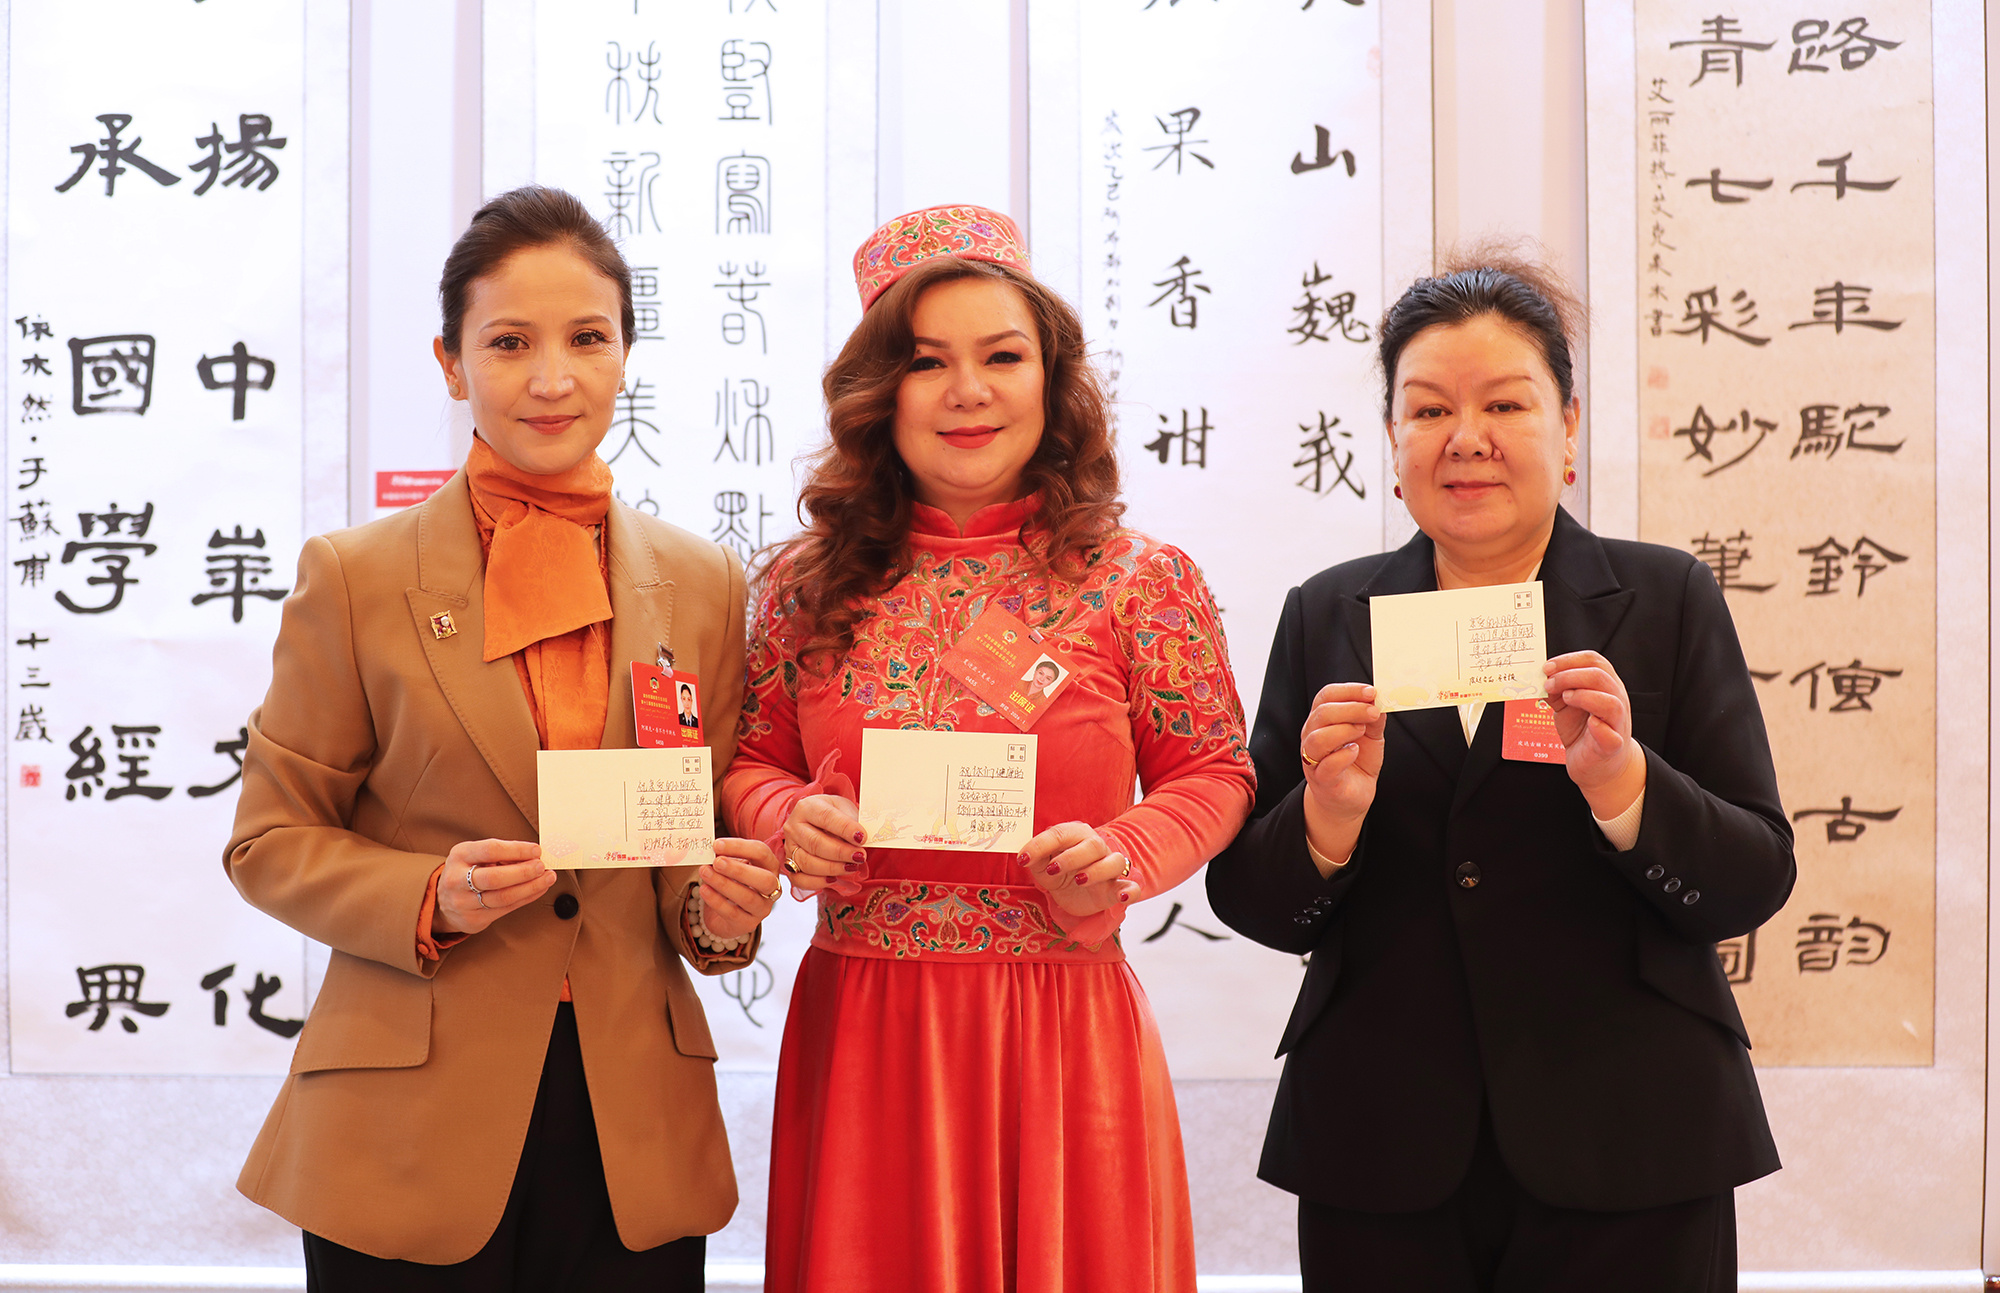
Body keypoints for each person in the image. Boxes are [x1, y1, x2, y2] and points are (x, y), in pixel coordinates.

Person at [223, 186, 781, 1290]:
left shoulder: (706, 583)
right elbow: (269, 842)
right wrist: (431, 895)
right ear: (451, 363)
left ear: (625, 356)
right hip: (405, 1126)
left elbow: (687, 850)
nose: (552, 378)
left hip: (632, 1124)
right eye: (509, 342)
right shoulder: (356, 578)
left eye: (588, 338)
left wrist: (719, 912)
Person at [1207, 253, 1794, 1292]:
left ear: (1567, 431)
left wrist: (1624, 787)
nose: (1465, 437)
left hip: (1633, 1135)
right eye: (1428, 409)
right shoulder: (1326, 613)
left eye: (1505, 404)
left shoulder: (1664, 598)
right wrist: (1326, 818)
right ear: (1393, 442)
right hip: (1378, 1140)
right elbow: (1250, 897)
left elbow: (1751, 878)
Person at [720, 204, 1256, 1293]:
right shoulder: (801, 587)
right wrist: (784, 820)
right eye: (927, 362)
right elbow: (748, 761)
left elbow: (1213, 770)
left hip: (1061, 1027)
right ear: (880, 392)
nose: (967, 390)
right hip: (866, 1026)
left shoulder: (1140, 581)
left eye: (1002, 356)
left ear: (1051, 379)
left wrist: (1123, 852)